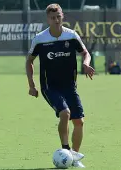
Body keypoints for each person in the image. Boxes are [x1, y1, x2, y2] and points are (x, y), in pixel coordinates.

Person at [26, 3, 95, 168]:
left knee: (79, 122)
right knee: (65, 113)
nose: (56, 20)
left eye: (58, 17)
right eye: (52, 18)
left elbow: (85, 52)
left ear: (62, 17)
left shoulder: (71, 36)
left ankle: (74, 157)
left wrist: (86, 63)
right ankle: (66, 150)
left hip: (70, 86)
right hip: (50, 87)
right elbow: (29, 61)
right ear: (48, 20)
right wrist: (32, 85)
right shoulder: (40, 39)